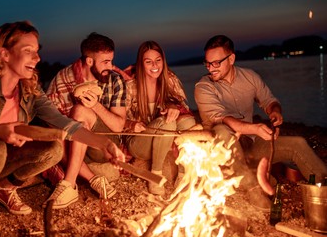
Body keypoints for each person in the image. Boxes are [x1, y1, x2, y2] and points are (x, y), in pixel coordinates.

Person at [0, 21, 125, 233]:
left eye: (37, 52)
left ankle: (4, 187)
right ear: (4, 54)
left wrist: (104, 143)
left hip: (2, 162)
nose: (37, 58)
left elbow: (65, 124)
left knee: (53, 149)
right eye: (28, 51)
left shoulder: (29, 89)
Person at [194, 34, 327, 209]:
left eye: (216, 63)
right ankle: (254, 194)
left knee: (298, 144)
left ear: (231, 58)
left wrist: (275, 112)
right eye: (208, 63)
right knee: (222, 130)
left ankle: (324, 189)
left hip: (252, 147)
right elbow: (225, 120)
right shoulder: (203, 87)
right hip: (223, 154)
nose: (211, 68)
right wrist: (255, 128)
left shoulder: (250, 76)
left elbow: (269, 100)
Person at [44, 32, 126, 208]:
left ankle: (68, 184)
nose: (111, 66)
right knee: (56, 137)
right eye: (105, 62)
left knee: (80, 110)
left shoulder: (115, 79)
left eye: (111, 60)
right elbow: (52, 122)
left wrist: (95, 106)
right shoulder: (63, 78)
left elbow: (119, 126)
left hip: (104, 145)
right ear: (89, 61)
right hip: (74, 146)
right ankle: (94, 179)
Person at [123, 41, 197, 195]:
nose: (154, 65)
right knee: (168, 124)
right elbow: (118, 120)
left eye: (158, 60)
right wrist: (131, 124)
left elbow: (185, 108)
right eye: (148, 62)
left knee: (189, 122)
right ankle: (155, 175)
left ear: (163, 60)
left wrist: (173, 106)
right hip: (139, 141)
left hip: (163, 138)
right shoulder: (131, 86)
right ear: (141, 64)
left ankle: (184, 173)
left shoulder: (169, 79)